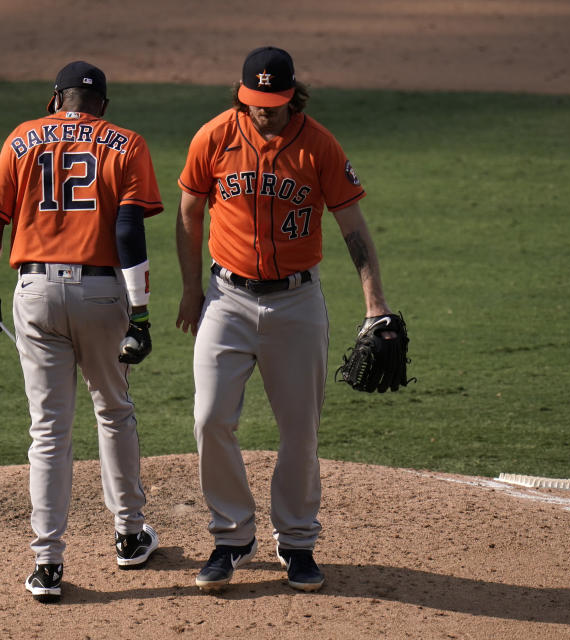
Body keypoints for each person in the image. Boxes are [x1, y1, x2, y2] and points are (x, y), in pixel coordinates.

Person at [175, 46, 398, 592]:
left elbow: (353, 227)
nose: (263, 112)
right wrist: (189, 290)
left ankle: (297, 542)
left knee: (299, 431)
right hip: (226, 298)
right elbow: (188, 211)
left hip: (297, 304)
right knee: (209, 419)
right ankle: (232, 535)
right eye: (254, 101)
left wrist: (376, 305)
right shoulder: (214, 136)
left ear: (292, 96)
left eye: (273, 103)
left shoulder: (319, 145)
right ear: (241, 94)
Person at [0, 61, 163, 603]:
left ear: (57, 98)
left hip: (35, 295)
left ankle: (47, 564)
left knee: (49, 429)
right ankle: (128, 536)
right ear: (103, 104)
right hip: (102, 294)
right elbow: (128, 230)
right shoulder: (125, 144)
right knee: (114, 410)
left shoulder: (22, 137)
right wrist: (141, 316)